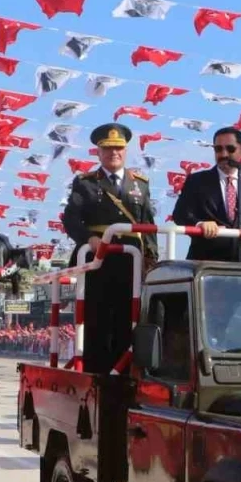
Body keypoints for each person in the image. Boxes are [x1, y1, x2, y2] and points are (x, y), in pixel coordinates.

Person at [61, 124, 157, 372]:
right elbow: (71, 218)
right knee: (98, 318)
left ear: (126, 151)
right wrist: (88, 238)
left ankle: (126, 372)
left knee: (130, 318)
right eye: (108, 148)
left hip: (131, 262)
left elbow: (148, 223)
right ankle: (97, 373)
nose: (114, 153)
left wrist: (152, 259)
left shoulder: (140, 184)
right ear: (98, 152)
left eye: (119, 148)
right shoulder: (86, 183)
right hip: (98, 260)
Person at [172, 126, 241, 261]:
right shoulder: (197, 181)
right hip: (206, 266)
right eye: (218, 149)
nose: (224, 154)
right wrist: (200, 224)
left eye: (230, 149)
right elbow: (180, 214)